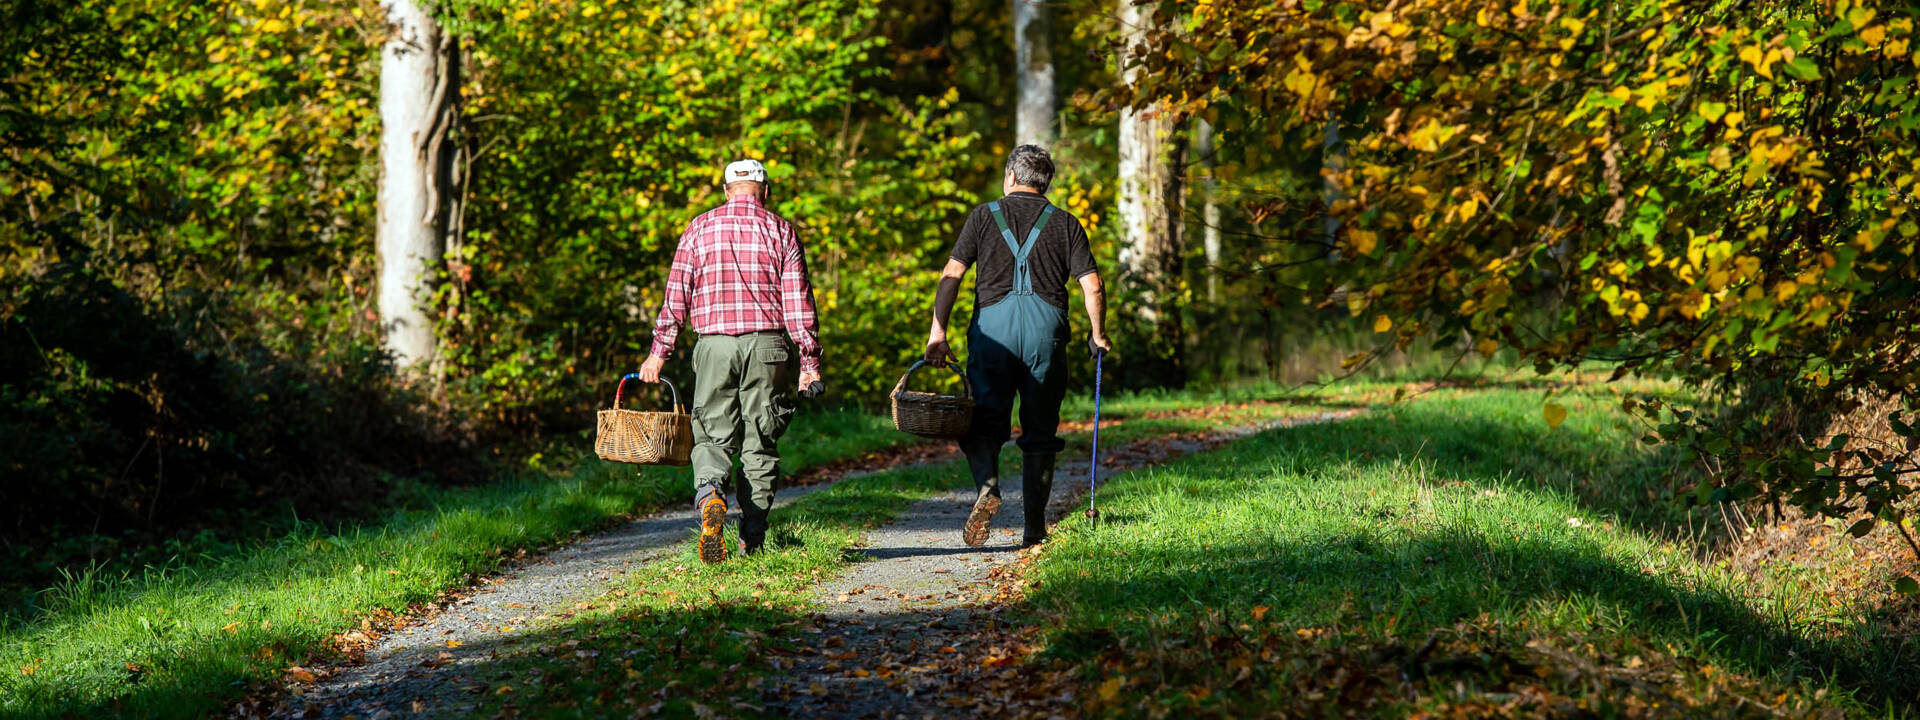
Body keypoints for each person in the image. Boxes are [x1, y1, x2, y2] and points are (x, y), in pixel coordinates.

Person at [924, 145, 1111, 548]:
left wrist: (938, 333)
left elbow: (951, 275)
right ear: (1047, 182)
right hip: (1047, 335)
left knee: (982, 426)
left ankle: (987, 487)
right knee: (1040, 431)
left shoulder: (982, 216)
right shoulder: (1066, 223)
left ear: (1011, 176)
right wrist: (1098, 334)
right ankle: (1034, 528)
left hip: (993, 334)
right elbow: (1092, 284)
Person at [640, 158, 823, 564]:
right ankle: (751, 540)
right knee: (760, 442)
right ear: (766, 190)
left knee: (711, 434)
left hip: (715, 346)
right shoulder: (781, 230)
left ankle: (710, 498)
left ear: (726, 190)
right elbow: (798, 304)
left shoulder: (698, 227)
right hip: (769, 348)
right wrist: (809, 363)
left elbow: (676, 298)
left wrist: (659, 353)